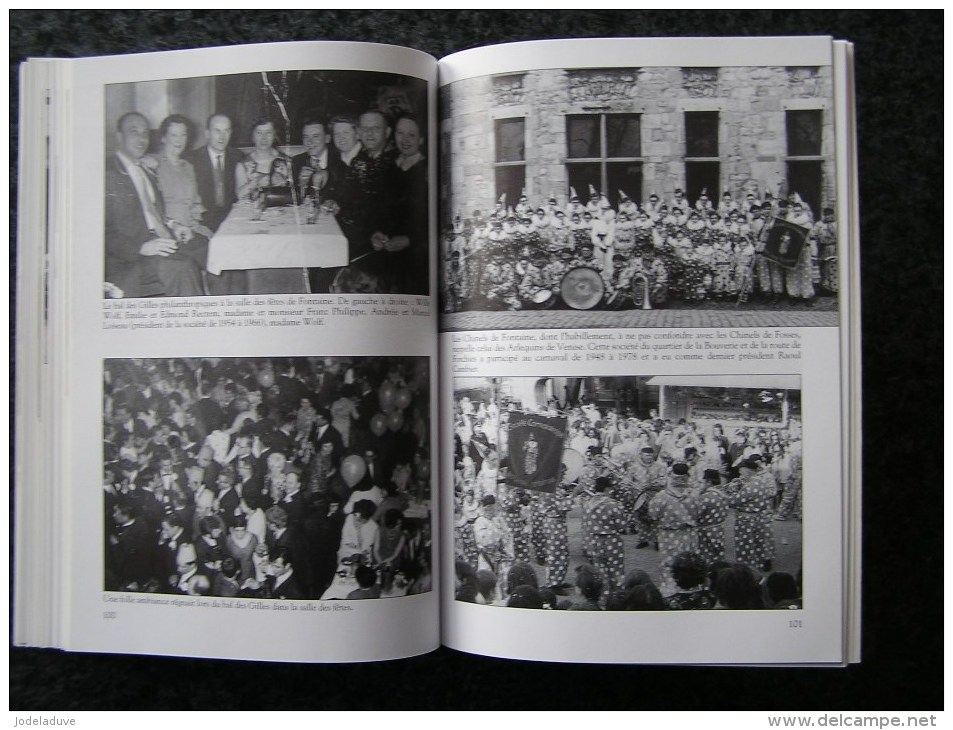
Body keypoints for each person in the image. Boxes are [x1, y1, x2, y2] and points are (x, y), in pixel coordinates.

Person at [105, 112, 204, 297]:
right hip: (129, 258)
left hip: (162, 240)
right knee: (183, 267)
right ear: (119, 136)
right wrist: (140, 247)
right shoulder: (107, 172)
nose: (141, 138)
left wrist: (175, 225)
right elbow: (97, 232)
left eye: (145, 133)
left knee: (209, 251)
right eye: (134, 131)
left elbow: (152, 214)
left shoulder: (146, 171)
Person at [647, 463, 699, 594]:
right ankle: (690, 590)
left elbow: (653, 515)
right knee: (689, 562)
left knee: (669, 564)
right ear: (687, 476)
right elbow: (700, 513)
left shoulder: (662, 496)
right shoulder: (695, 493)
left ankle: (670, 592)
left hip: (668, 536)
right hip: (689, 534)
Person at [186, 113, 242, 231]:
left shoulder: (237, 157)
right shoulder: (192, 159)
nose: (222, 136)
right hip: (203, 222)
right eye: (217, 131)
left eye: (226, 131)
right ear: (207, 133)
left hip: (233, 220)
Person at [235, 118, 290, 202]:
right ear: (252, 137)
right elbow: (240, 196)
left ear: (274, 136)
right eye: (259, 133)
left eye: (268, 132)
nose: (264, 137)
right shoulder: (243, 164)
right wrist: (257, 181)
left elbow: (293, 195)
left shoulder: (286, 161)